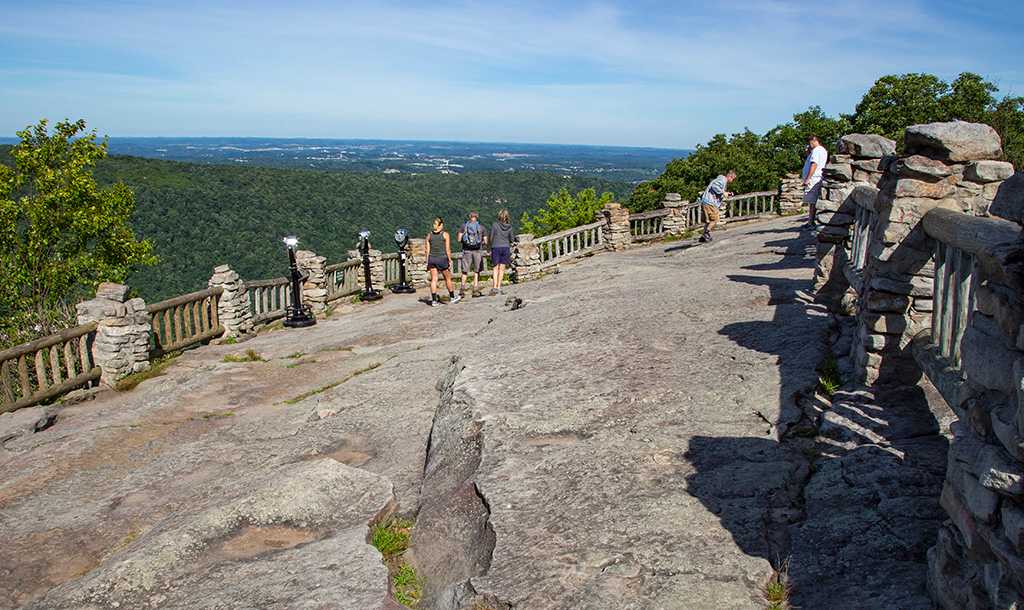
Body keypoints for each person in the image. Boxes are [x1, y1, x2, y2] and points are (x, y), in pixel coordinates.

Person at [425, 217, 461, 306]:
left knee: (434, 279)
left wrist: (427, 261)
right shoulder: (445, 235)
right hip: (442, 259)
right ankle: (452, 297)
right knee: (447, 278)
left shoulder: (429, 235)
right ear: (440, 225)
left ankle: (434, 301)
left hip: (432, 259)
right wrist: (449, 260)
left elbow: (427, 250)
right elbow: (448, 249)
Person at [698, 170, 736, 242]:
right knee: (715, 219)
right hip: (710, 202)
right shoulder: (722, 180)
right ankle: (706, 233)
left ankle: (703, 237)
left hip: (706, 201)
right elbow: (714, 186)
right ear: (730, 176)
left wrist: (726, 193)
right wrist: (723, 193)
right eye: (733, 179)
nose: (732, 181)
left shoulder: (720, 179)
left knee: (709, 221)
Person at [456, 211, 487, 298]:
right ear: (477, 217)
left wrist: (465, 241)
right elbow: (486, 241)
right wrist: (480, 242)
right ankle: (475, 289)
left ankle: (462, 290)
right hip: (477, 250)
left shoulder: (464, 226)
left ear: (469, 217)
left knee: (465, 271)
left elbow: (459, 239)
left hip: (466, 250)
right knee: (476, 271)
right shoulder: (481, 227)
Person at [802, 135, 828, 228]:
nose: (809, 145)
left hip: (814, 178)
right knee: (812, 201)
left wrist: (808, 178)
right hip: (817, 177)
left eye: (809, 143)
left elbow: (814, 164)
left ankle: (811, 222)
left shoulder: (817, 150)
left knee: (812, 201)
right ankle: (810, 220)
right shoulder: (822, 150)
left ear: (814, 140)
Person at [489, 208, 514, 296]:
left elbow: (491, 238)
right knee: (502, 268)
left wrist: (489, 247)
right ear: (507, 217)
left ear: (499, 216)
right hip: (505, 248)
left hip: (495, 247)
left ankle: (494, 287)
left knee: (495, 268)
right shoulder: (509, 227)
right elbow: (512, 239)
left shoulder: (495, 225)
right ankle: (499, 287)